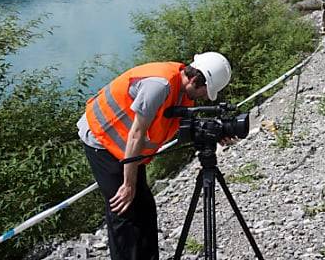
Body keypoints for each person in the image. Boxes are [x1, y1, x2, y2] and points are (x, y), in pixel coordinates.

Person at [77, 52, 233, 260]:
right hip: (102, 139)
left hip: (128, 148)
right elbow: (137, 133)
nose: (205, 96)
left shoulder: (183, 91)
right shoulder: (159, 85)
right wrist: (128, 184)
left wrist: (215, 133)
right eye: (206, 91)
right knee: (125, 210)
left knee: (145, 209)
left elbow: (176, 125)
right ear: (195, 80)